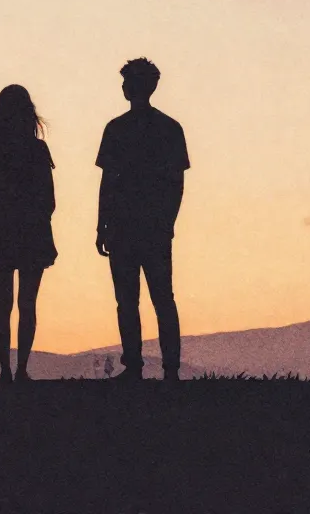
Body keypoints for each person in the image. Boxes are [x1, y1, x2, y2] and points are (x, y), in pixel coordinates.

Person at [95, 58, 189, 381]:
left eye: (126, 82)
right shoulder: (170, 129)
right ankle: (169, 368)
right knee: (161, 298)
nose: (123, 87)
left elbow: (108, 182)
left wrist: (102, 225)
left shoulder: (117, 130)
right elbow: (176, 184)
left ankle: (136, 366)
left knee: (129, 300)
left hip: (126, 226)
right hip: (151, 227)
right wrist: (167, 221)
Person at [0, 85, 57, 382]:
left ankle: (5, 370)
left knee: (2, 304)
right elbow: (48, 198)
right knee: (27, 304)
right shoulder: (37, 150)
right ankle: (21, 368)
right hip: (33, 233)